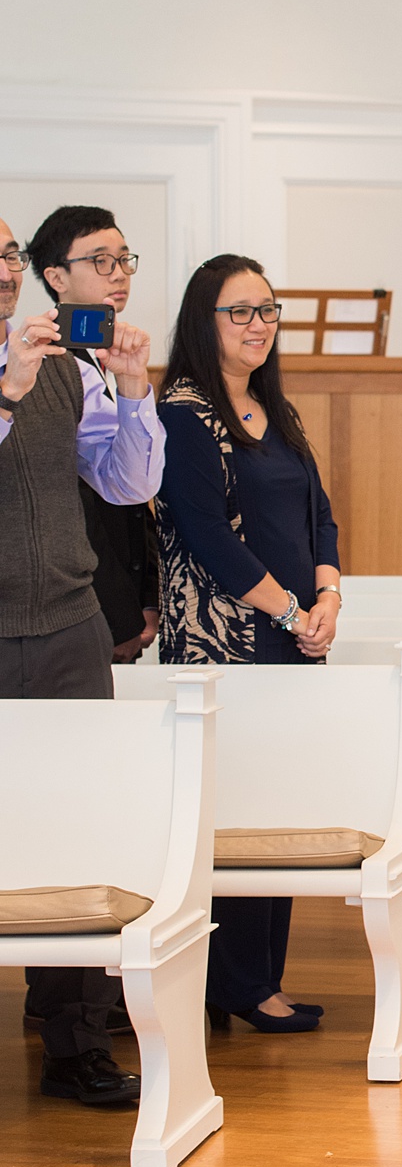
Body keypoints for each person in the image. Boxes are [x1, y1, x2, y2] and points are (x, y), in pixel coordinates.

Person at [0, 208, 162, 1108]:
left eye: (11, 255)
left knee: (74, 825)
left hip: (66, 625)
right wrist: (8, 388)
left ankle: (76, 1043)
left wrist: (133, 389)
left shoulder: (69, 367)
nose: (5, 269)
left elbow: (128, 483)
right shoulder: (28, 369)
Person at [156, 254, 343, 1034]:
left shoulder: (277, 410)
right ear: (205, 321)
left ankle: (262, 977)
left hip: (290, 635)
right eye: (240, 311)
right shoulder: (184, 413)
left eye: (267, 310)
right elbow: (205, 539)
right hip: (223, 645)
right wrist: (292, 610)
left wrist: (328, 593)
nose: (258, 325)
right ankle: (233, 985)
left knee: (280, 803)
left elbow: (319, 515)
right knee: (232, 815)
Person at [27, 207, 160, 666]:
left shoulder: (111, 352)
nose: (118, 273)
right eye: (100, 261)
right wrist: (120, 612)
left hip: (121, 595)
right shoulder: (40, 360)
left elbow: (135, 496)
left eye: (124, 259)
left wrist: (147, 595)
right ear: (56, 277)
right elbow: (78, 507)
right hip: (79, 605)